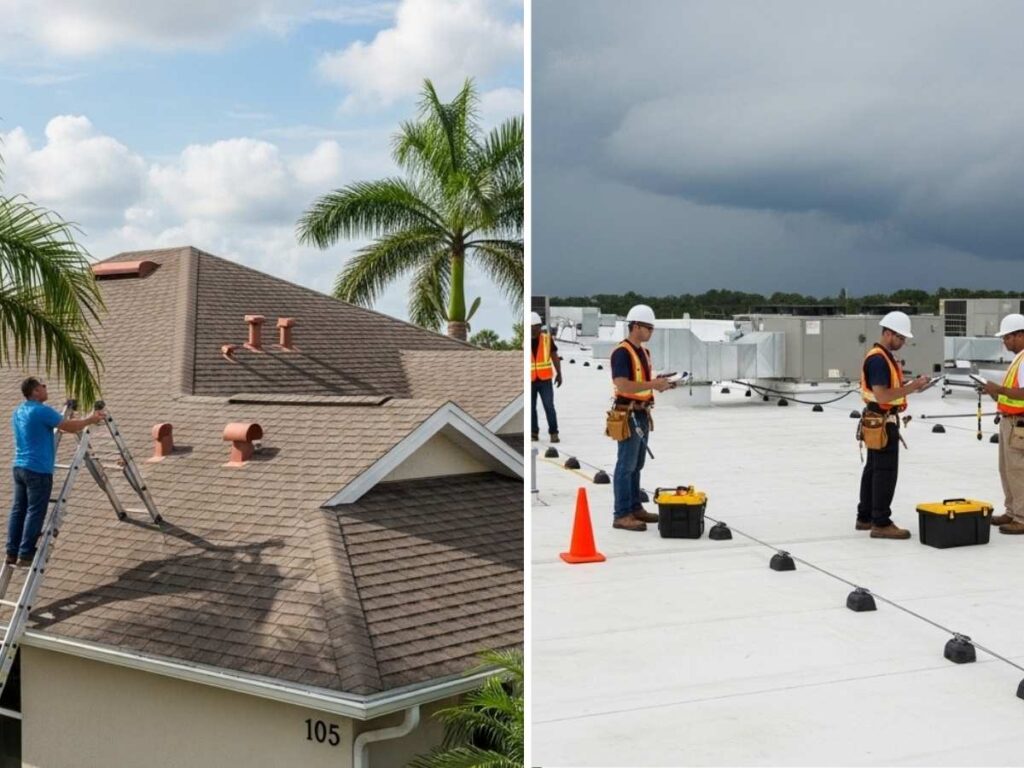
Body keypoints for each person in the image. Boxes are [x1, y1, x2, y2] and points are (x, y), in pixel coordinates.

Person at [6, 378, 105, 568]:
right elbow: (68, 426)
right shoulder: (41, 411)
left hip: (19, 467)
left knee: (19, 510)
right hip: (38, 469)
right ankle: (26, 553)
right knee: (35, 511)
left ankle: (12, 552)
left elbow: (46, 427)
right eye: (43, 386)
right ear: (35, 391)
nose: (46, 389)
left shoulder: (19, 411)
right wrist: (90, 419)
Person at [857, 312, 929, 539]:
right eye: (900, 337)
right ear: (888, 333)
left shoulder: (883, 357)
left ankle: (865, 516)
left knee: (873, 469)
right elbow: (882, 395)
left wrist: (913, 385)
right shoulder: (879, 360)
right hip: (883, 422)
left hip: (876, 420)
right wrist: (913, 387)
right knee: (885, 472)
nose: (903, 342)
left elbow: (889, 390)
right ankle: (880, 522)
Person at [610, 304, 676, 531]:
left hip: (642, 412)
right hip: (628, 413)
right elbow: (622, 384)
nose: (651, 332)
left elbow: (643, 383)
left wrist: (661, 384)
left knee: (637, 464)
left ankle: (635, 508)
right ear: (636, 326)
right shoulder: (622, 352)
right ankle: (622, 514)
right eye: (648, 328)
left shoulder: (644, 353)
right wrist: (653, 384)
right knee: (625, 465)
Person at [982, 314, 1024, 534]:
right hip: (1009, 421)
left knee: (1018, 470)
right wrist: (994, 392)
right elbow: (1010, 395)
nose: (1004, 342)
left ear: (1019, 335)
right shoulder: (1018, 359)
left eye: (1007, 337)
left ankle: (1022, 517)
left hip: (1019, 423)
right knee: (1007, 469)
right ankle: (1012, 511)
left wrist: (998, 389)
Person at [530, 312, 563, 443]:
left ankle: (553, 433)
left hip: (545, 380)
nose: (533, 330)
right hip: (530, 381)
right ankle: (533, 432)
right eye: (530, 327)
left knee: (549, 406)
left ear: (540, 327)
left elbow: (554, 356)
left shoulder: (547, 339)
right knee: (531, 408)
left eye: (535, 327)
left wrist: (559, 373)